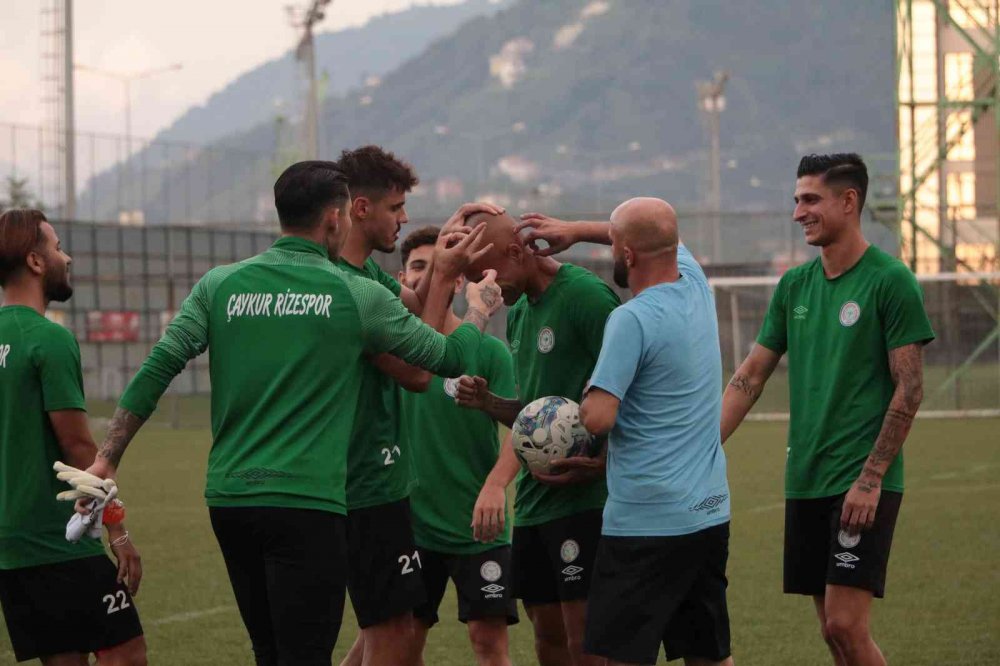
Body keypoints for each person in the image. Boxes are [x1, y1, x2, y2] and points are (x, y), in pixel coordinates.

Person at [82, 161, 504, 666]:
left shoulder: (220, 284)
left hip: (230, 499)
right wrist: (478, 312)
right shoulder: (354, 293)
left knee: (271, 654)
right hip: (306, 502)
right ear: (334, 219)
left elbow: (161, 363)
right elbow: (443, 359)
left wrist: (108, 457)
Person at [721, 154, 934, 666]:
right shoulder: (794, 286)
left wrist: (871, 477)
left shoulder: (890, 280)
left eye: (810, 199)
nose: (798, 213)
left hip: (858, 481)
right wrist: (700, 448)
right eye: (796, 200)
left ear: (849, 201)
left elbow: (909, 389)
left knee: (846, 623)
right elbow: (750, 376)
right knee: (831, 632)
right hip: (806, 476)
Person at [332, 146, 503, 666]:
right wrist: (475, 311)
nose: (404, 218)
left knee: (386, 630)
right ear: (360, 208)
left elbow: (415, 309)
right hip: (367, 488)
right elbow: (419, 369)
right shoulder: (351, 290)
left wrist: (445, 261)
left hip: (371, 491)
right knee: (391, 634)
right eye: (396, 207)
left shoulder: (366, 281)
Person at [454, 210, 620, 666]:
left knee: (585, 640)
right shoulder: (523, 312)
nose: (484, 286)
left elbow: (635, 385)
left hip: (586, 502)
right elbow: (537, 416)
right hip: (533, 503)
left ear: (515, 251)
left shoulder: (585, 296)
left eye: (485, 273)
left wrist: (605, 461)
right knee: (546, 638)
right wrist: (492, 404)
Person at [574, 198, 734, 666]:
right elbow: (659, 234)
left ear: (625, 255)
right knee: (709, 655)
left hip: (645, 524)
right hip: (708, 514)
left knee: (623, 658)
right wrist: (571, 228)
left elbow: (599, 417)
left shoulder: (631, 319)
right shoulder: (696, 282)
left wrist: (584, 398)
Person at [0, 209, 146, 665]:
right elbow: (80, 449)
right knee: (127, 654)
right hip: (58, 542)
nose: (68, 257)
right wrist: (117, 529)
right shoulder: (48, 339)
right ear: (36, 262)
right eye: (58, 246)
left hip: (11, 549)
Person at [398, 226, 518, 666]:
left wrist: (495, 485)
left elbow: (519, 426)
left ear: (462, 281)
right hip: (408, 525)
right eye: (420, 267)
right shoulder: (391, 352)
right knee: (402, 642)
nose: (432, 277)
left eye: (444, 267)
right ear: (402, 277)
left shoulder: (489, 352)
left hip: (478, 526)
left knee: (489, 646)